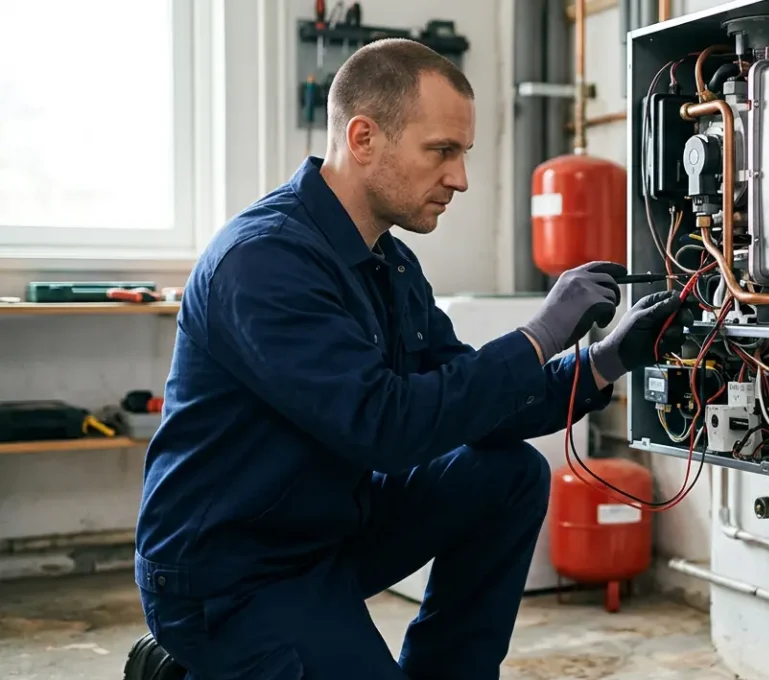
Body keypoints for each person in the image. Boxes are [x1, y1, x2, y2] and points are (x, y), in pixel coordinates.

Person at [123, 38, 680, 680]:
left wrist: (608, 359)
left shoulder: (388, 262)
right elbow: (385, 428)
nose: (460, 178)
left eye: (463, 154)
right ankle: (187, 664)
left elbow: (475, 403)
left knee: (509, 474)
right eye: (441, 151)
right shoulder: (264, 261)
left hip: (327, 530)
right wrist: (540, 334)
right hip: (230, 572)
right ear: (363, 138)